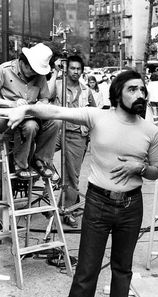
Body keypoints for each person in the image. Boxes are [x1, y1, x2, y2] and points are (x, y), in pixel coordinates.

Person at [1, 70, 158, 297]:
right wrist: (27, 108)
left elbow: (156, 171)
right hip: (98, 204)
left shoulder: (151, 131)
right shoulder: (97, 116)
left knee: (122, 270)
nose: (140, 94)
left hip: (131, 208)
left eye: (142, 89)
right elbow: (57, 111)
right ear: (117, 94)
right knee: (87, 271)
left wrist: (140, 168)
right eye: (132, 89)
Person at [48, 55, 96, 228]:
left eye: (78, 69)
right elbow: (47, 94)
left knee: (72, 176)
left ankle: (67, 211)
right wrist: (56, 71)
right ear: (67, 69)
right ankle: (53, 179)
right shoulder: (58, 85)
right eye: (72, 68)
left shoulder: (86, 91)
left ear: (82, 71)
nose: (75, 71)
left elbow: (93, 114)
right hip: (57, 131)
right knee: (38, 155)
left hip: (77, 136)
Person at [0, 43, 59, 179]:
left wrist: (41, 103)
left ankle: (40, 160)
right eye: (32, 70)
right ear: (23, 63)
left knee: (55, 122)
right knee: (30, 126)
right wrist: (12, 103)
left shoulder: (39, 76)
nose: (34, 74)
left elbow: (45, 98)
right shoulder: (4, 70)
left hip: (31, 115)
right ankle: (20, 164)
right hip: (8, 117)